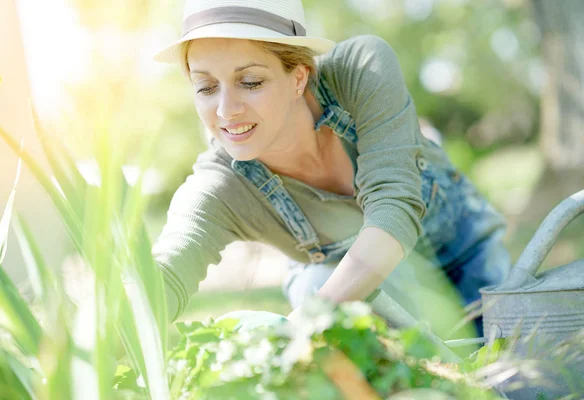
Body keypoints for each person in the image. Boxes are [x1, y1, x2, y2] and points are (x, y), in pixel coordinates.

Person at [151, 0, 511, 336]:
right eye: (206, 87)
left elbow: (393, 209)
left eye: (250, 82)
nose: (226, 110)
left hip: (467, 256)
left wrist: (298, 327)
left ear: (299, 77)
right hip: (367, 300)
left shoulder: (358, 72)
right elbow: (163, 277)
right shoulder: (221, 184)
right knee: (312, 284)